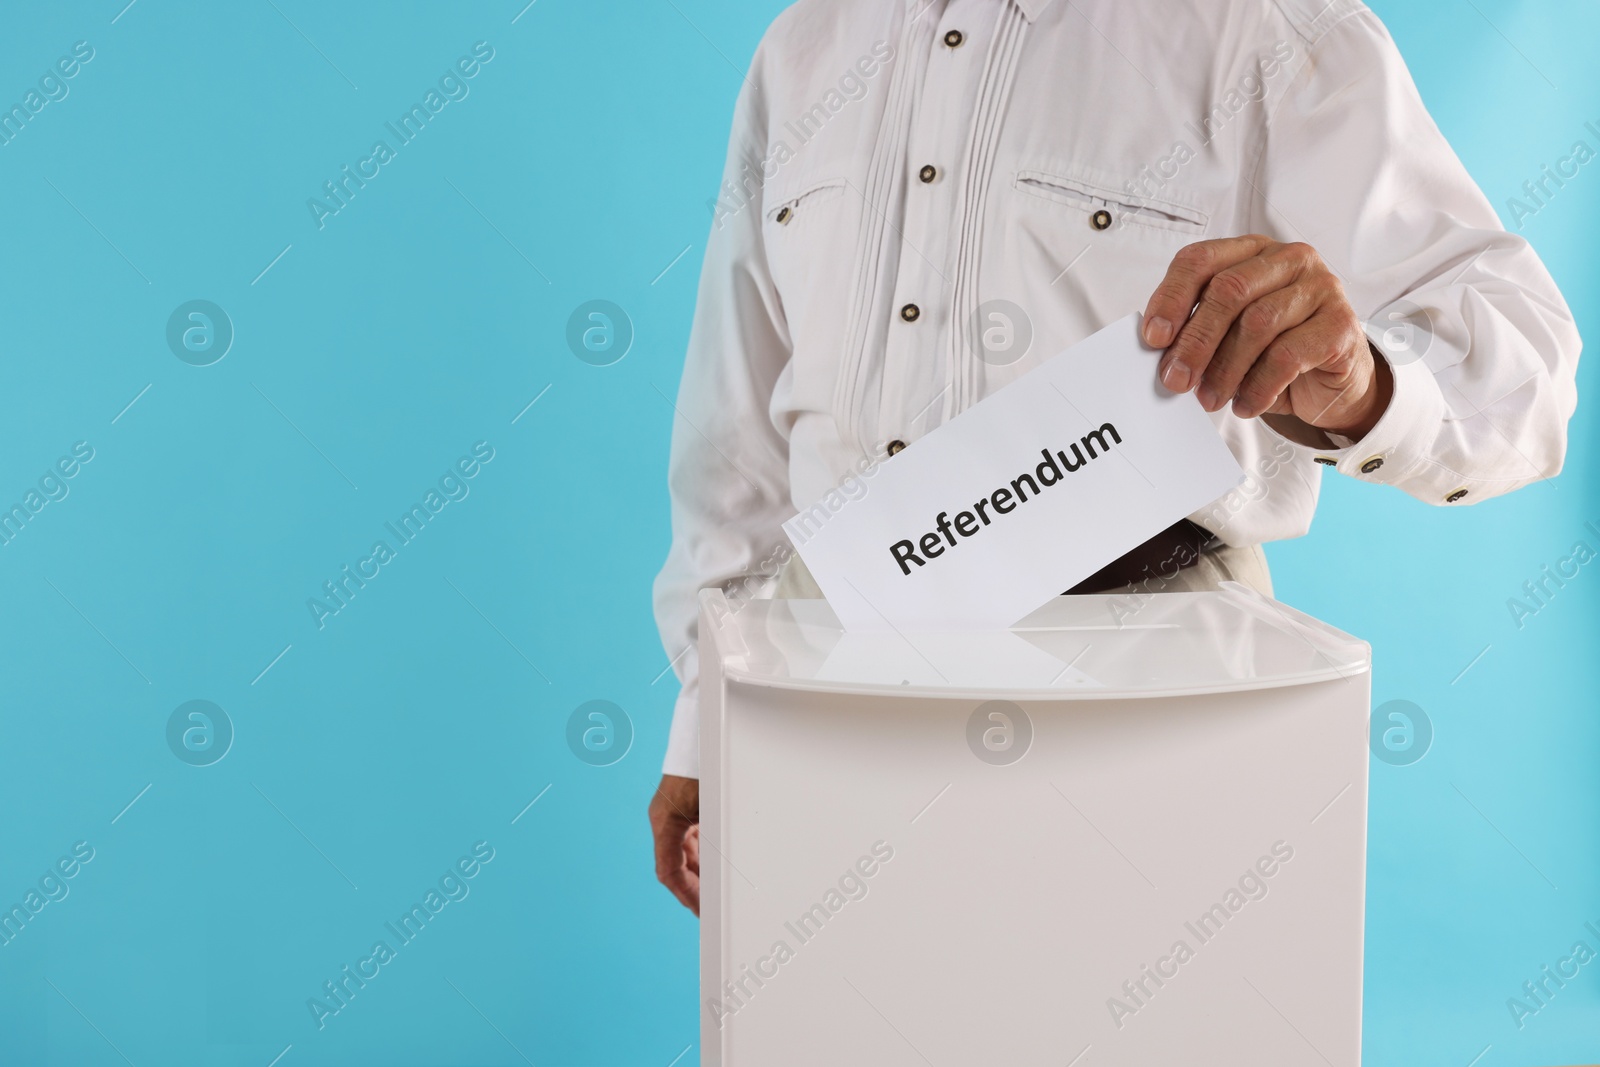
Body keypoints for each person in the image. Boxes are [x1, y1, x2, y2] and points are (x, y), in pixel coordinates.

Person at [647, 0, 1581, 914]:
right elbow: (738, 434)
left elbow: (1526, 372)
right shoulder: (800, 49)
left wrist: (1365, 383)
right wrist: (705, 718)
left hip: (1152, 708)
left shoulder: (1265, 30)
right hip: (824, 697)